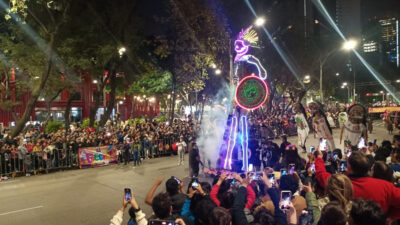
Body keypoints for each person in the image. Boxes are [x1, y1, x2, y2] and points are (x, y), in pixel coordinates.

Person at [314, 149, 400, 221]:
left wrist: (319, 158)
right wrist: (389, 217)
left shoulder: (340, 184)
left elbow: (321, 174)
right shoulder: (386, 186)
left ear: (350, 168)